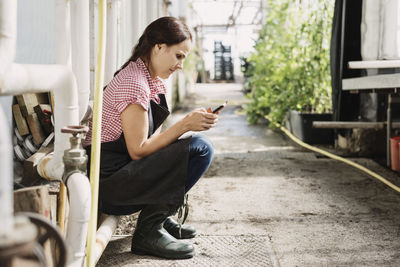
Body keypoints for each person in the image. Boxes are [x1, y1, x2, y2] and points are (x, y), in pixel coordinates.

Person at [83, 16, 218, 259]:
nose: (180, 65)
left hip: (124, 172)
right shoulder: (135, 83)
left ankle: (158, 217)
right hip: (109, 183)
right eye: (178, 56)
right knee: (200, 149)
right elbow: (139, 150)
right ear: (159, 47)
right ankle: (148, 231)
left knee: (189, 148)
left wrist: (183, 133)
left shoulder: (150, 79)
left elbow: (154, 142)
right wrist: (185, 125)